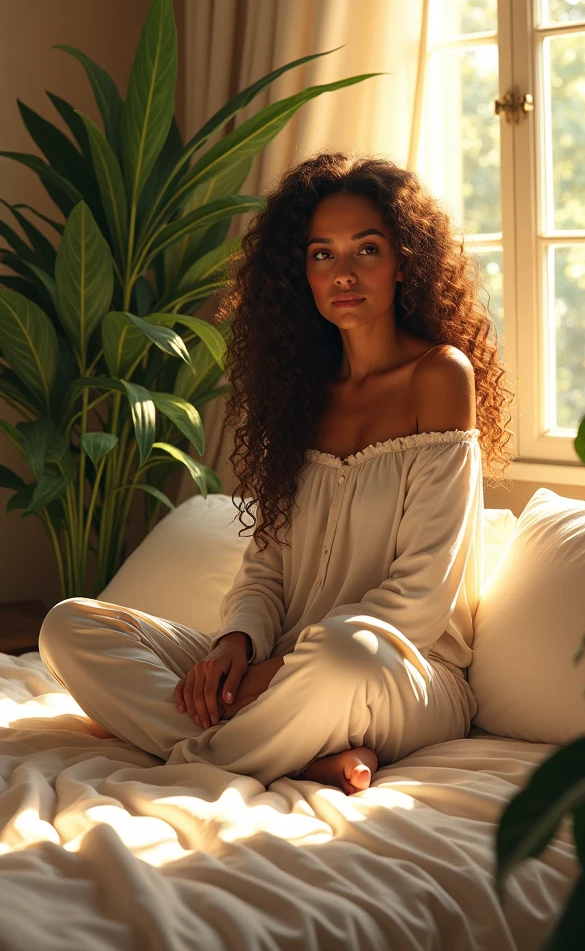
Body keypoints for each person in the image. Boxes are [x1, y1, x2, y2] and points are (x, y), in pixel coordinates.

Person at [38, 153, 514, 795]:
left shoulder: (440, 375)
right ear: (302, 272)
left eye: (366, 249)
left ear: (404, 260)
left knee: (343, 651)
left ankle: (200, 751)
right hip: (282, 664)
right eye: (322, 254)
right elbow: (266, 569)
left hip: (400, 671)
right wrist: (234, 647)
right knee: (69, 627)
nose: (343, 273)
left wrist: (266, 677)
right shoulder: (299, 394)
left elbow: (420, 599)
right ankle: (299, 756)